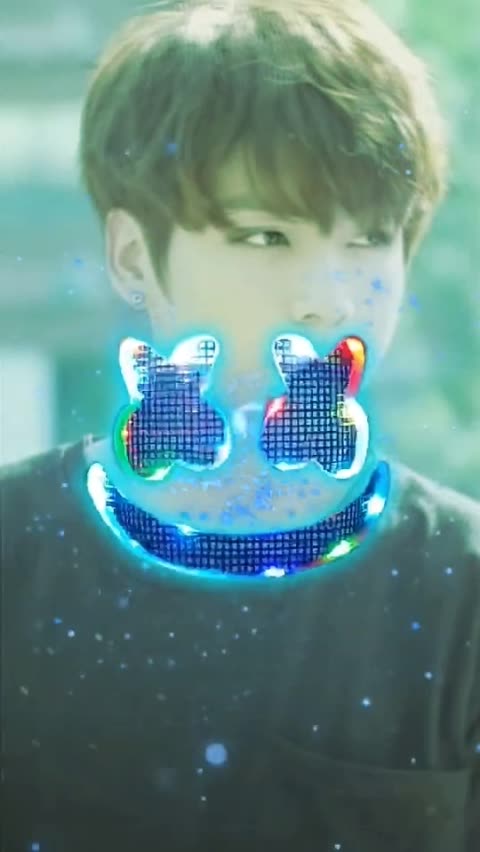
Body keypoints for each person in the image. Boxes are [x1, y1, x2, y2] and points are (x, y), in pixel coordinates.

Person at [2, 1, 479, 849]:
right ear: (133, 255)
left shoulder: (460, 593)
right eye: (266, 237)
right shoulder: (15, 555)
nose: (330, 301)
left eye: (369, 240)